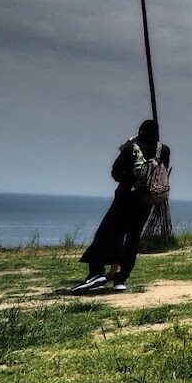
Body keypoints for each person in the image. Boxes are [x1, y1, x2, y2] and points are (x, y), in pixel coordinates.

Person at [73, 120, 170, 292]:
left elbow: (116, 172)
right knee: (133, 238)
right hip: (147, 200)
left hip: (126, 197)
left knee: (107, 233)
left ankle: (96, 271)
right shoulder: (164, 150)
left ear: (140, 131)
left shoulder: (132, 148)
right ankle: (122, 278)